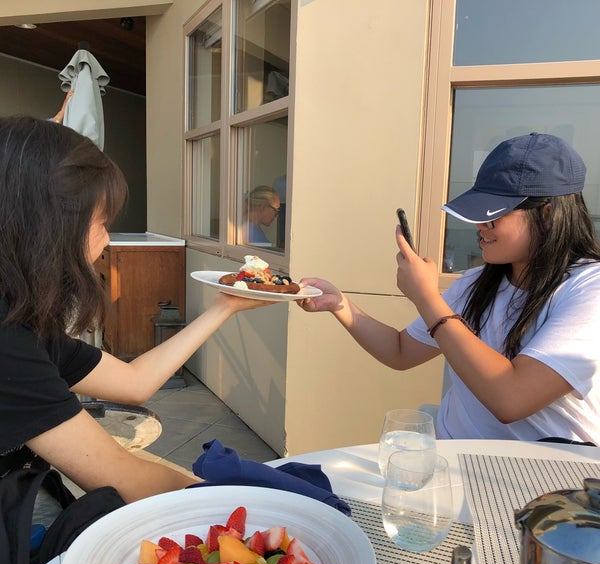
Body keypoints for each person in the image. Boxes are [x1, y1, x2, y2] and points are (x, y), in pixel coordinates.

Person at [0, 116, 272, 516]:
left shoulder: (19, 319)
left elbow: (133, 382)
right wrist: (253, 509)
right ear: (48, 228)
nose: (107, 240)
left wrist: (225, 306)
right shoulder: (8, 344)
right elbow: (126, 480)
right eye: (102, 223)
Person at [298, 133, 600, 444]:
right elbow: (400, 351)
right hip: (452, 465)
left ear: (547, 214)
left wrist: (426, 298)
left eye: (493, 216)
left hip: (541, 480)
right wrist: (340, 305)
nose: (479, 226)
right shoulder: (476, 283)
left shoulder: (588, 289)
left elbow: (512, 399)